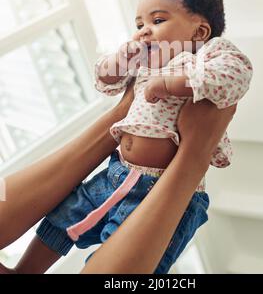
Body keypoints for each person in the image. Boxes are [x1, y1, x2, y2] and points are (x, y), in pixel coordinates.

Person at [0, 92, 236, 274]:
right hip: (163, 177)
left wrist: (125, 111)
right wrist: (194, 155)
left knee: (65, 217)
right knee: (66, 223)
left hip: (126, 173)